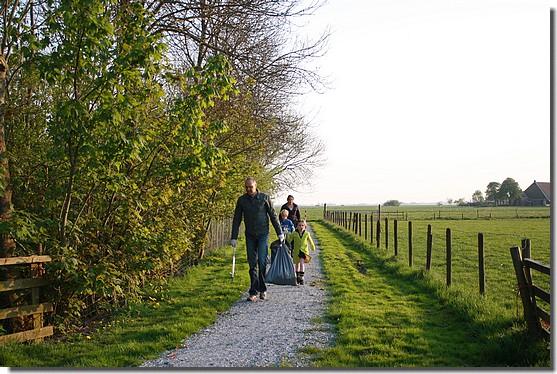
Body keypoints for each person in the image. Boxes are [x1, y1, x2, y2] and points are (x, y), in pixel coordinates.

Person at [231, 177, 283, 302]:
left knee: (262, 261)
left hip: (263, 234)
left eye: (251, 187)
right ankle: (253, 291)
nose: (249, 189)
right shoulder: (242, 200)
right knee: (252, 263)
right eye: (246, 187)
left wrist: (280, 233)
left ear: (255, 186)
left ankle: (263, 289)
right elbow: (237, 219)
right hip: (249, 235)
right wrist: (234, 237)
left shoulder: (265, 198)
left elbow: (273, 216)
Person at [287, 220, 315, 285]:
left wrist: (312, 246)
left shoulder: (307, 233)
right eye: (299, 225)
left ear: (305, 226)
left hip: (304, 251)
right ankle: (297, 276)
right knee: (297, 264)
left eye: (302, 225)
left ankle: (302, 277)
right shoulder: (294, 233)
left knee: (302, 263)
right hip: (296, 251)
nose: (301, 227)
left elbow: (310, 241)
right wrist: (287, 235)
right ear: (297, 226)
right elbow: (289, 240)